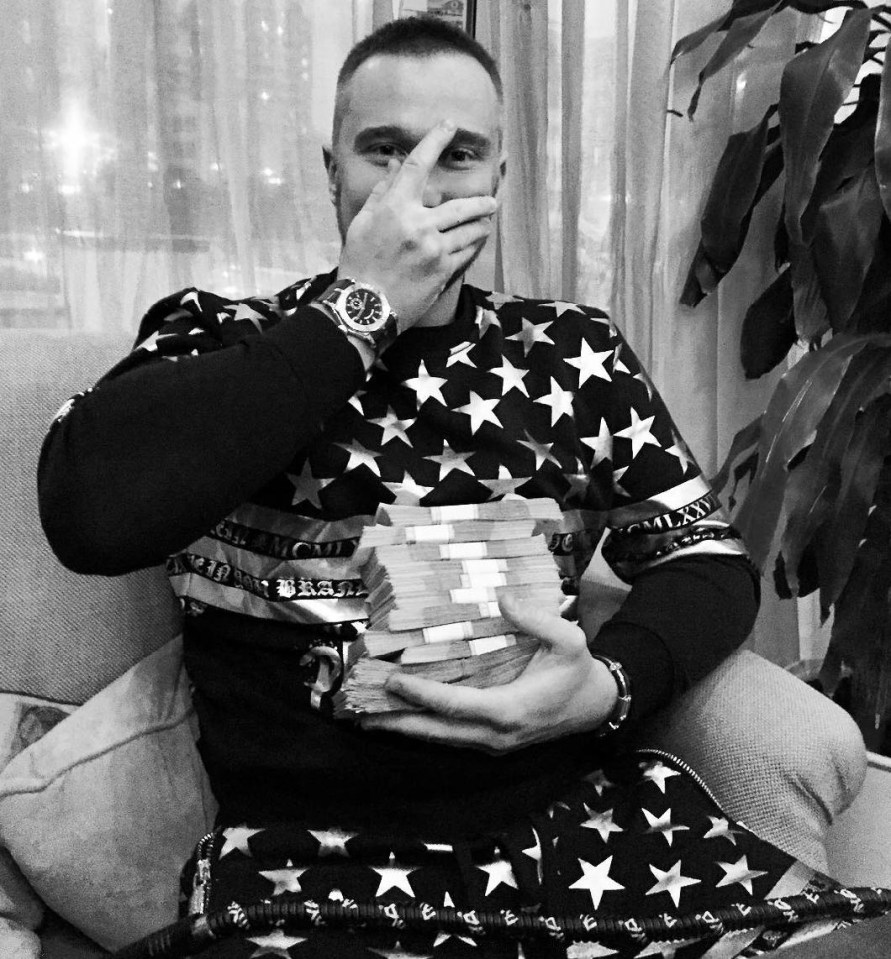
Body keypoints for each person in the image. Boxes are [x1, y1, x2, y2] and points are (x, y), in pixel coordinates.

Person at [37, 16, 854, 959]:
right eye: (383, 149)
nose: (417, 184)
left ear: (500, 181)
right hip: (310, 865)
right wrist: (359, 307)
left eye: (457, 154)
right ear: (329, 170)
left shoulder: (572, 352)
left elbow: (705, 558)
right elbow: (89, 512)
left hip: (567, 834)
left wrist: (611, 687)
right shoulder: (221, 337)